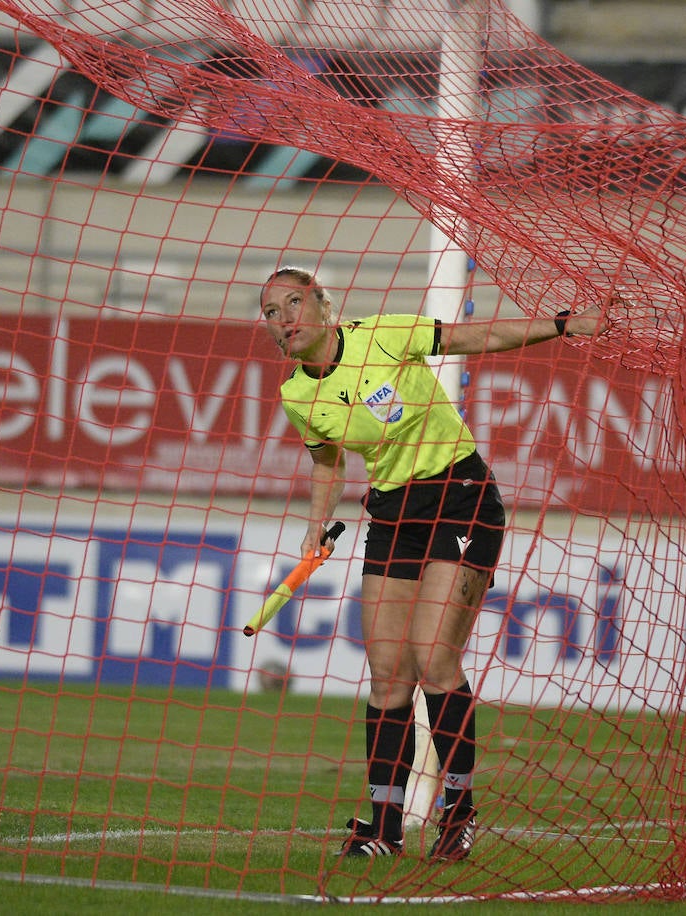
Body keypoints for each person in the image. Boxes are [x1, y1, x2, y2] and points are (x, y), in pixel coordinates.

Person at [259, 265, 608, 861]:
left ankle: (458, 810)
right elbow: (327, 462)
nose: (282, 320)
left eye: (292, 303)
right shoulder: (296, 393)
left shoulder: (386, 334)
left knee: (433, 658)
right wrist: (313, 533)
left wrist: (563, 326)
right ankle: (385, 830)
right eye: (269, 312)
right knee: (388, 672)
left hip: (461, 496)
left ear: (323, 303)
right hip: (393, 514)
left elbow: (476, 339)